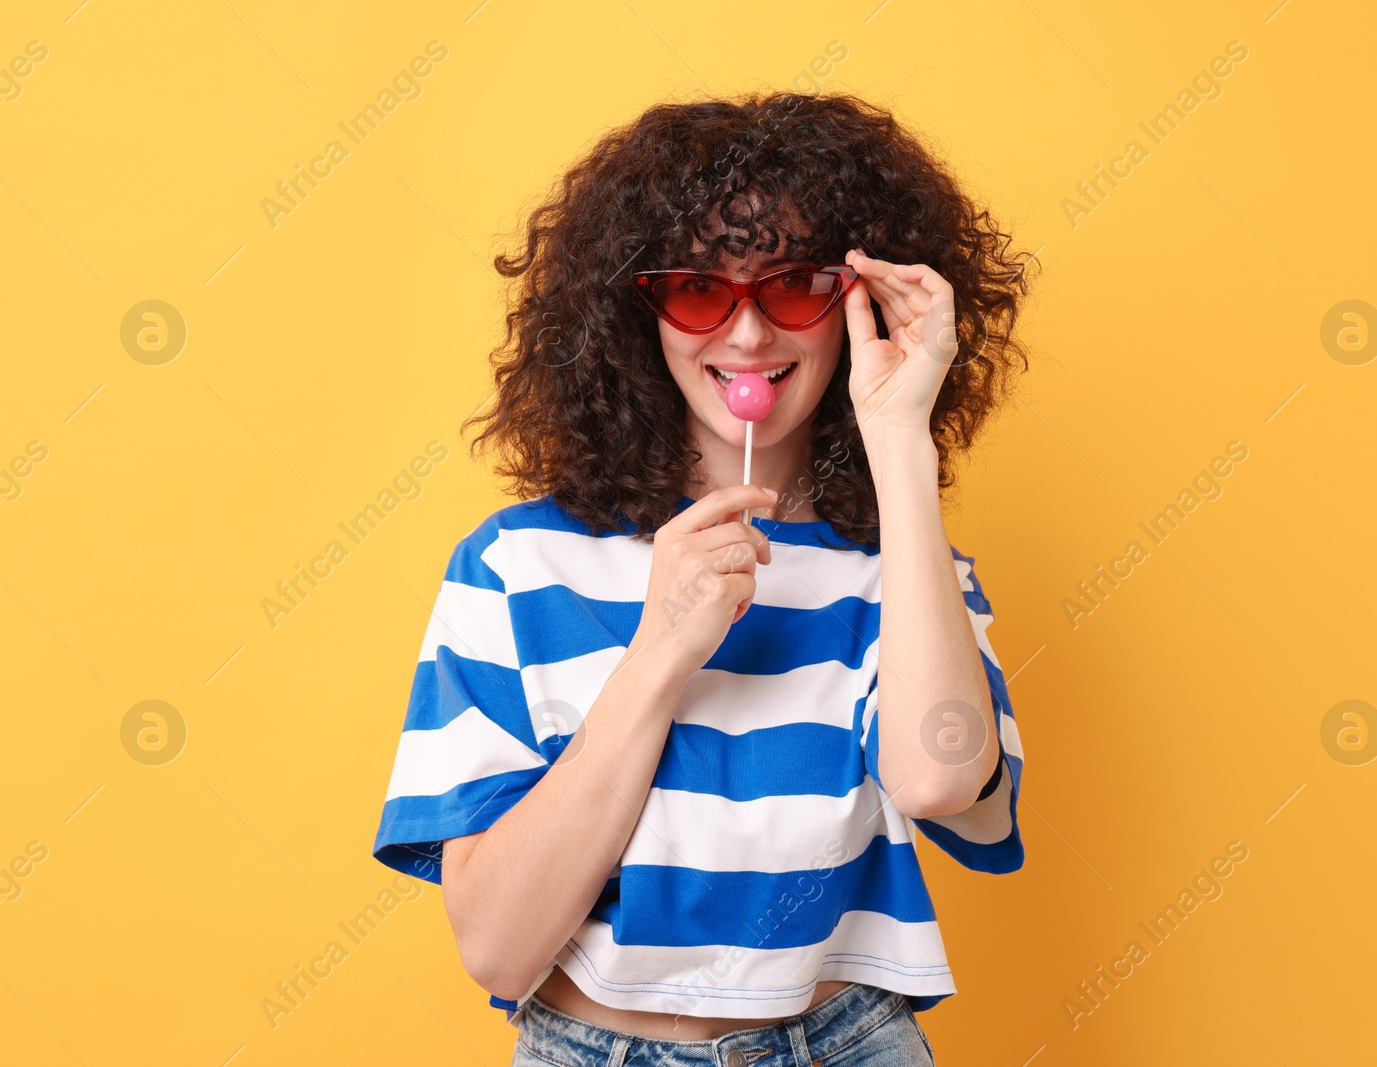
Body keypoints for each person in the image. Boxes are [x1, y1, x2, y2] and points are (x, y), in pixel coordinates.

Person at [372, 88, 1031, 1066]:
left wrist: (899, 437)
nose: (749, 334)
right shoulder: (513, 567)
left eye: (794, 284)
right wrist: (660, 651)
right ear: (637, 312)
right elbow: (499, 946)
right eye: (698, 289)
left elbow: (939, 781)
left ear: (856, 300)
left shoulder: (912, 575)